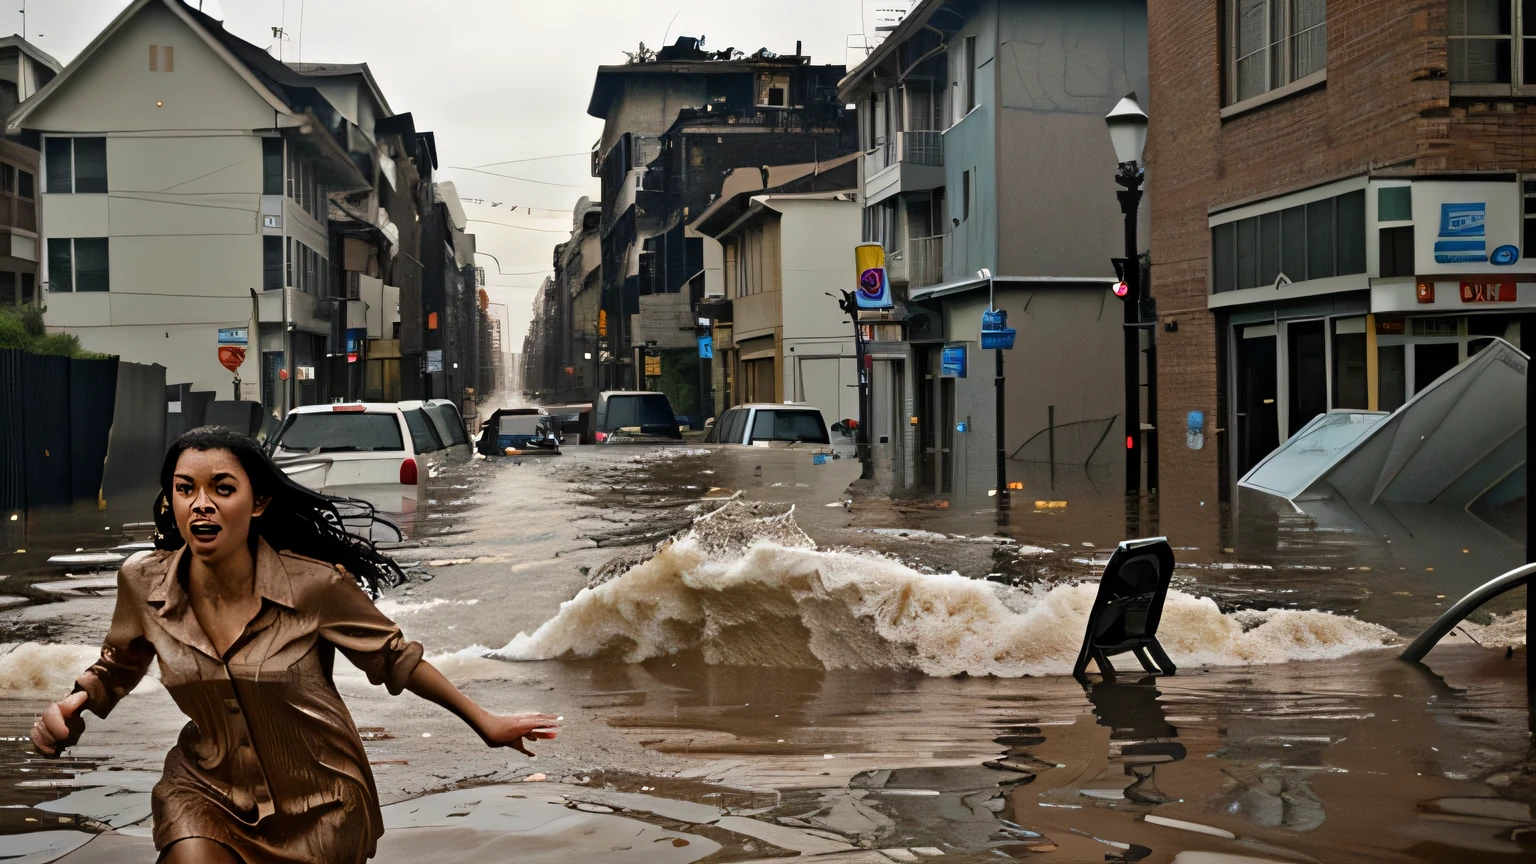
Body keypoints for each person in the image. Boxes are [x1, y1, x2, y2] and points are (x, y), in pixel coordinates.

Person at [30, 427, 559, 864]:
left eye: (222, 488)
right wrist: (77, 704)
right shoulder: (143, 582)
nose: (201, 505)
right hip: (205, 787)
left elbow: (394, 658)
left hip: (320, 799)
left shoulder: (315, 586)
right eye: (185, 489)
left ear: (258, 501)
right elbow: (120, 660)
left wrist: (484, 721)